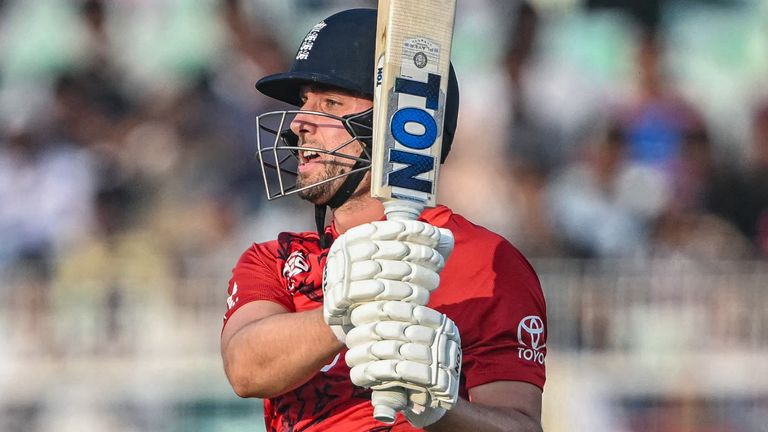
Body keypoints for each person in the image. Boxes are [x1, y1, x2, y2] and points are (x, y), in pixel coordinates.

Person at [220, 8, 547, 432]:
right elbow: (245, 369)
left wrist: (438, 412)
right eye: (304, 102)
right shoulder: (276, 259)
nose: (300, 122)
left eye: (329, 103)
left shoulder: (486, 260)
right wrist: (349, 316)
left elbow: (520, 425)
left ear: (402, 123)